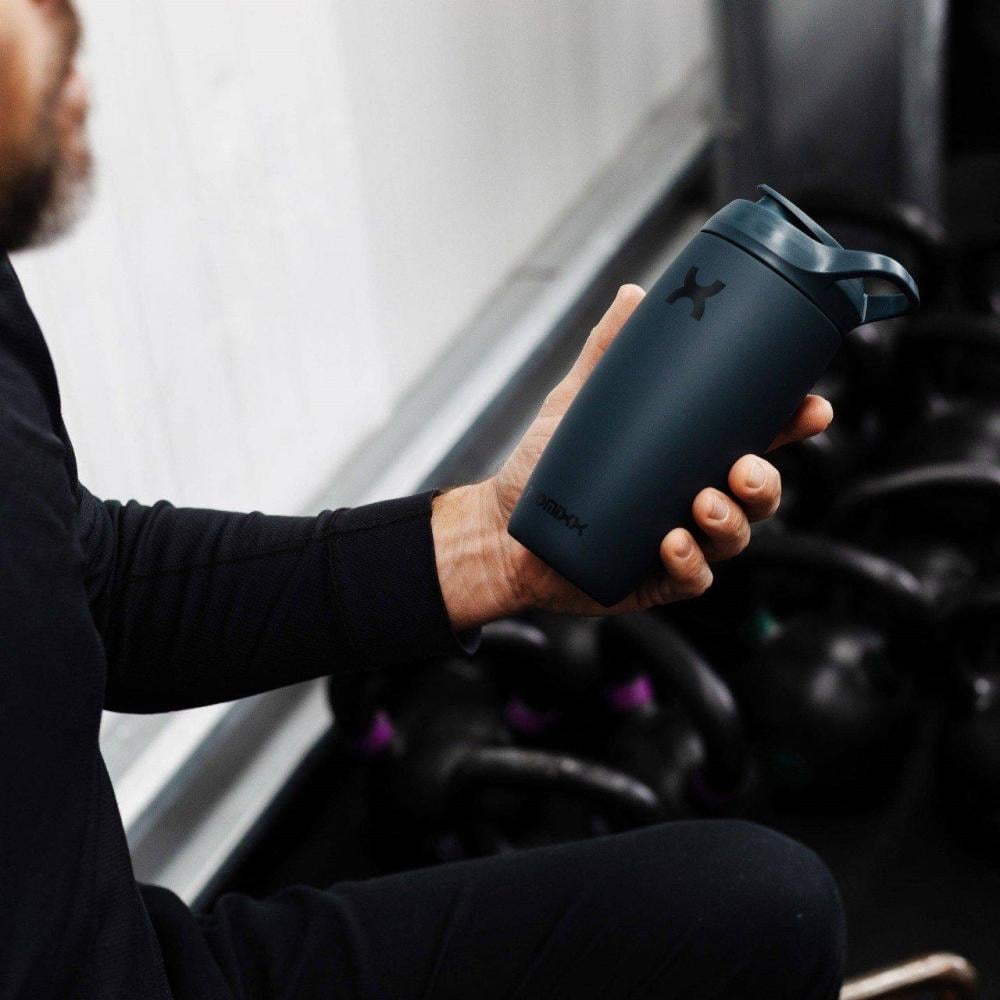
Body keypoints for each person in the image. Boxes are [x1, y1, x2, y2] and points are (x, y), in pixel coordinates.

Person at [0, 1, 846, 997]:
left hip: (136, 959)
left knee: (757, 908)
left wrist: (493, 546)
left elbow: (88, 582)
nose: (67, 26)